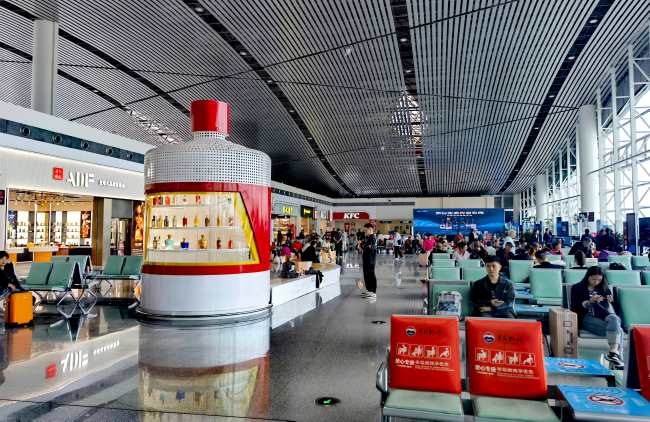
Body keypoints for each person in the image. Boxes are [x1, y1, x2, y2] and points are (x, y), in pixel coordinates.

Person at [570, 266, 625, 369]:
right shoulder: (577, 288)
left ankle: (613, 352)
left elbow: (614, 307)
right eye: (593, 279)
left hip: (605, 317)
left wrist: (610, 300)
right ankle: (616, 357)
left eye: (599, 280)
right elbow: (574, 307)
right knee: (619, 330)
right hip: (587, 317)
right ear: (588, 277)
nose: (596, 282)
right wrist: (589, 302)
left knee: (614, 320)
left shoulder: (604, 288)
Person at [359, 223, 378, 302]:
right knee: (367, 275)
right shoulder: (368, 238)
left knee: (370, 275)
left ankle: (372, 292)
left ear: (370, 229)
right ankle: (369, 290)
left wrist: (363, 246)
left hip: (370, 260)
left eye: (366, 230)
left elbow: (370, 248)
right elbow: (365, 247)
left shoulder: (372, 238)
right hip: (367, 259)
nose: (365, 232)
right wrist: (362, 246)